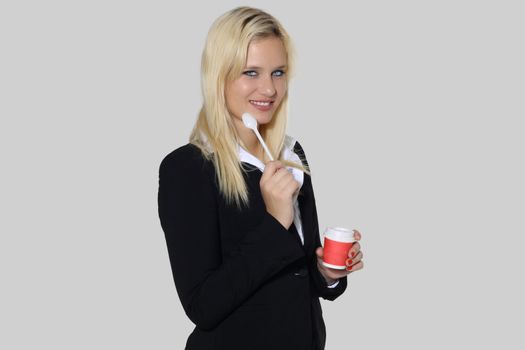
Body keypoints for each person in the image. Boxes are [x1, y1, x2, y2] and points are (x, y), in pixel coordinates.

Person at [157, 6, 364, 350]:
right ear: (219, 76)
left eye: (278, 72)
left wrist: (327, 275)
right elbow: (202, 306)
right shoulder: (187, 168)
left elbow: (294, 277)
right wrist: (275, 221)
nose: (269, 88)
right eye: (251, 72)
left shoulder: (291, 153)